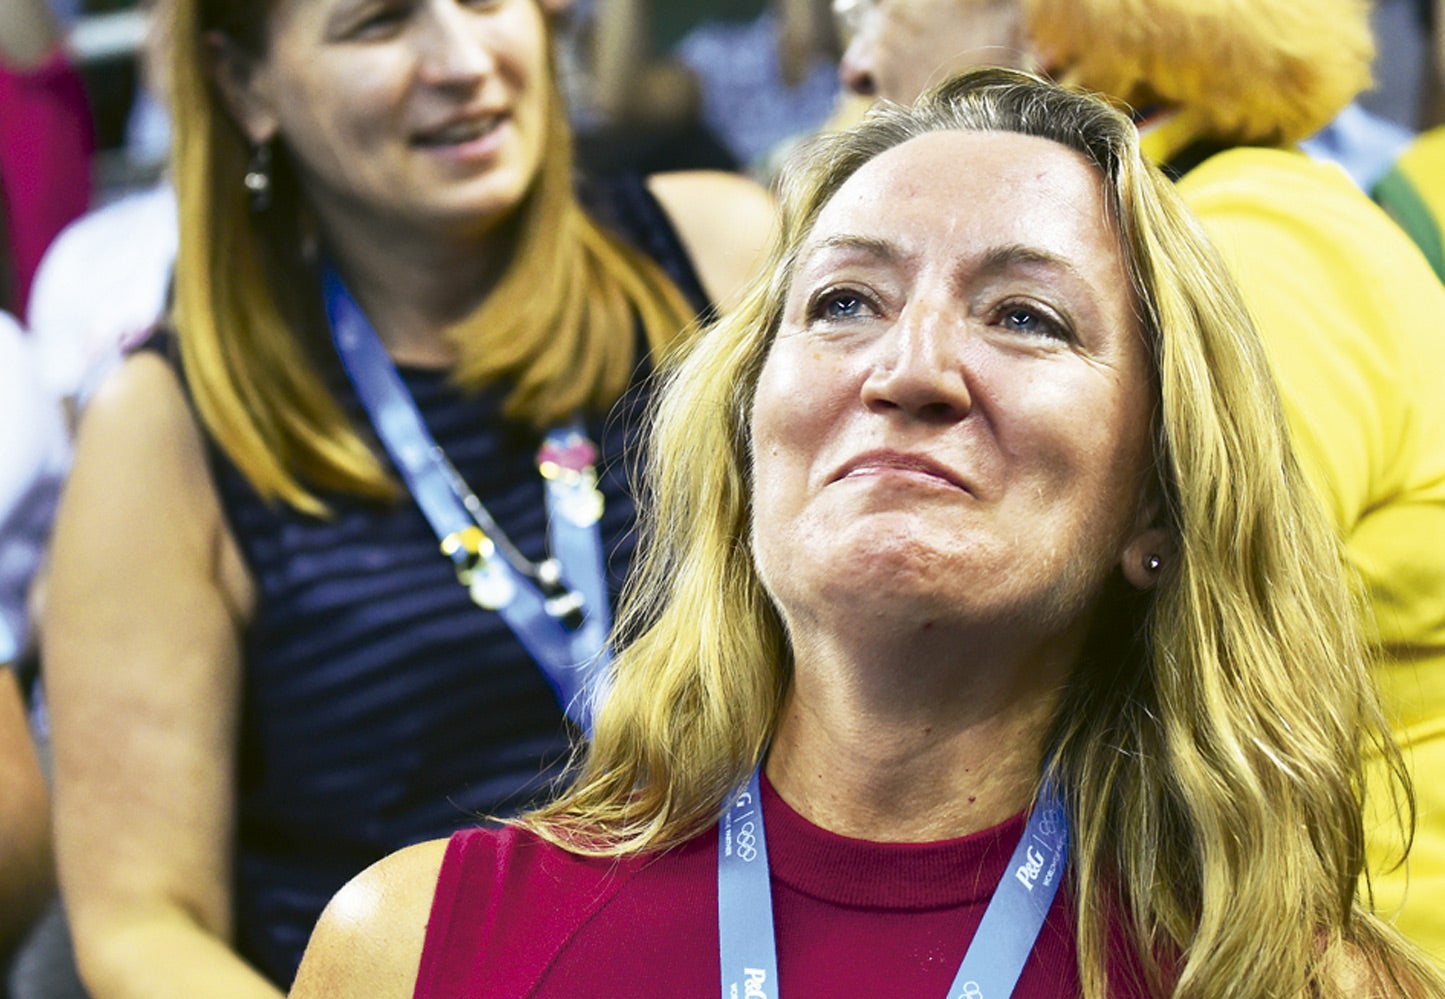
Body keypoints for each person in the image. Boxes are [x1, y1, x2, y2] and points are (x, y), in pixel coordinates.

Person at [290, 69, 1445, 998]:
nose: (909, 368)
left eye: (1023, 316)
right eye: (844, 302)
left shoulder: (1306, 983)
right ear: (746, 435)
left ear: (1154, 502)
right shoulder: (411, 949)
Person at [41, 0, 773, 995]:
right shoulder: (169, 432)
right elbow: (143, 927)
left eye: (484, 0)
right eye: (380, 23)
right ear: (244, 83)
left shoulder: (724, 262)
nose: (462, 59)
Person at [827, 0, 1445, 961]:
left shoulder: (1251, 243)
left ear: (1051, 27)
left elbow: (1185, 661)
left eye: (876, 6)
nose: (852, 62)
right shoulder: (1208, 217)